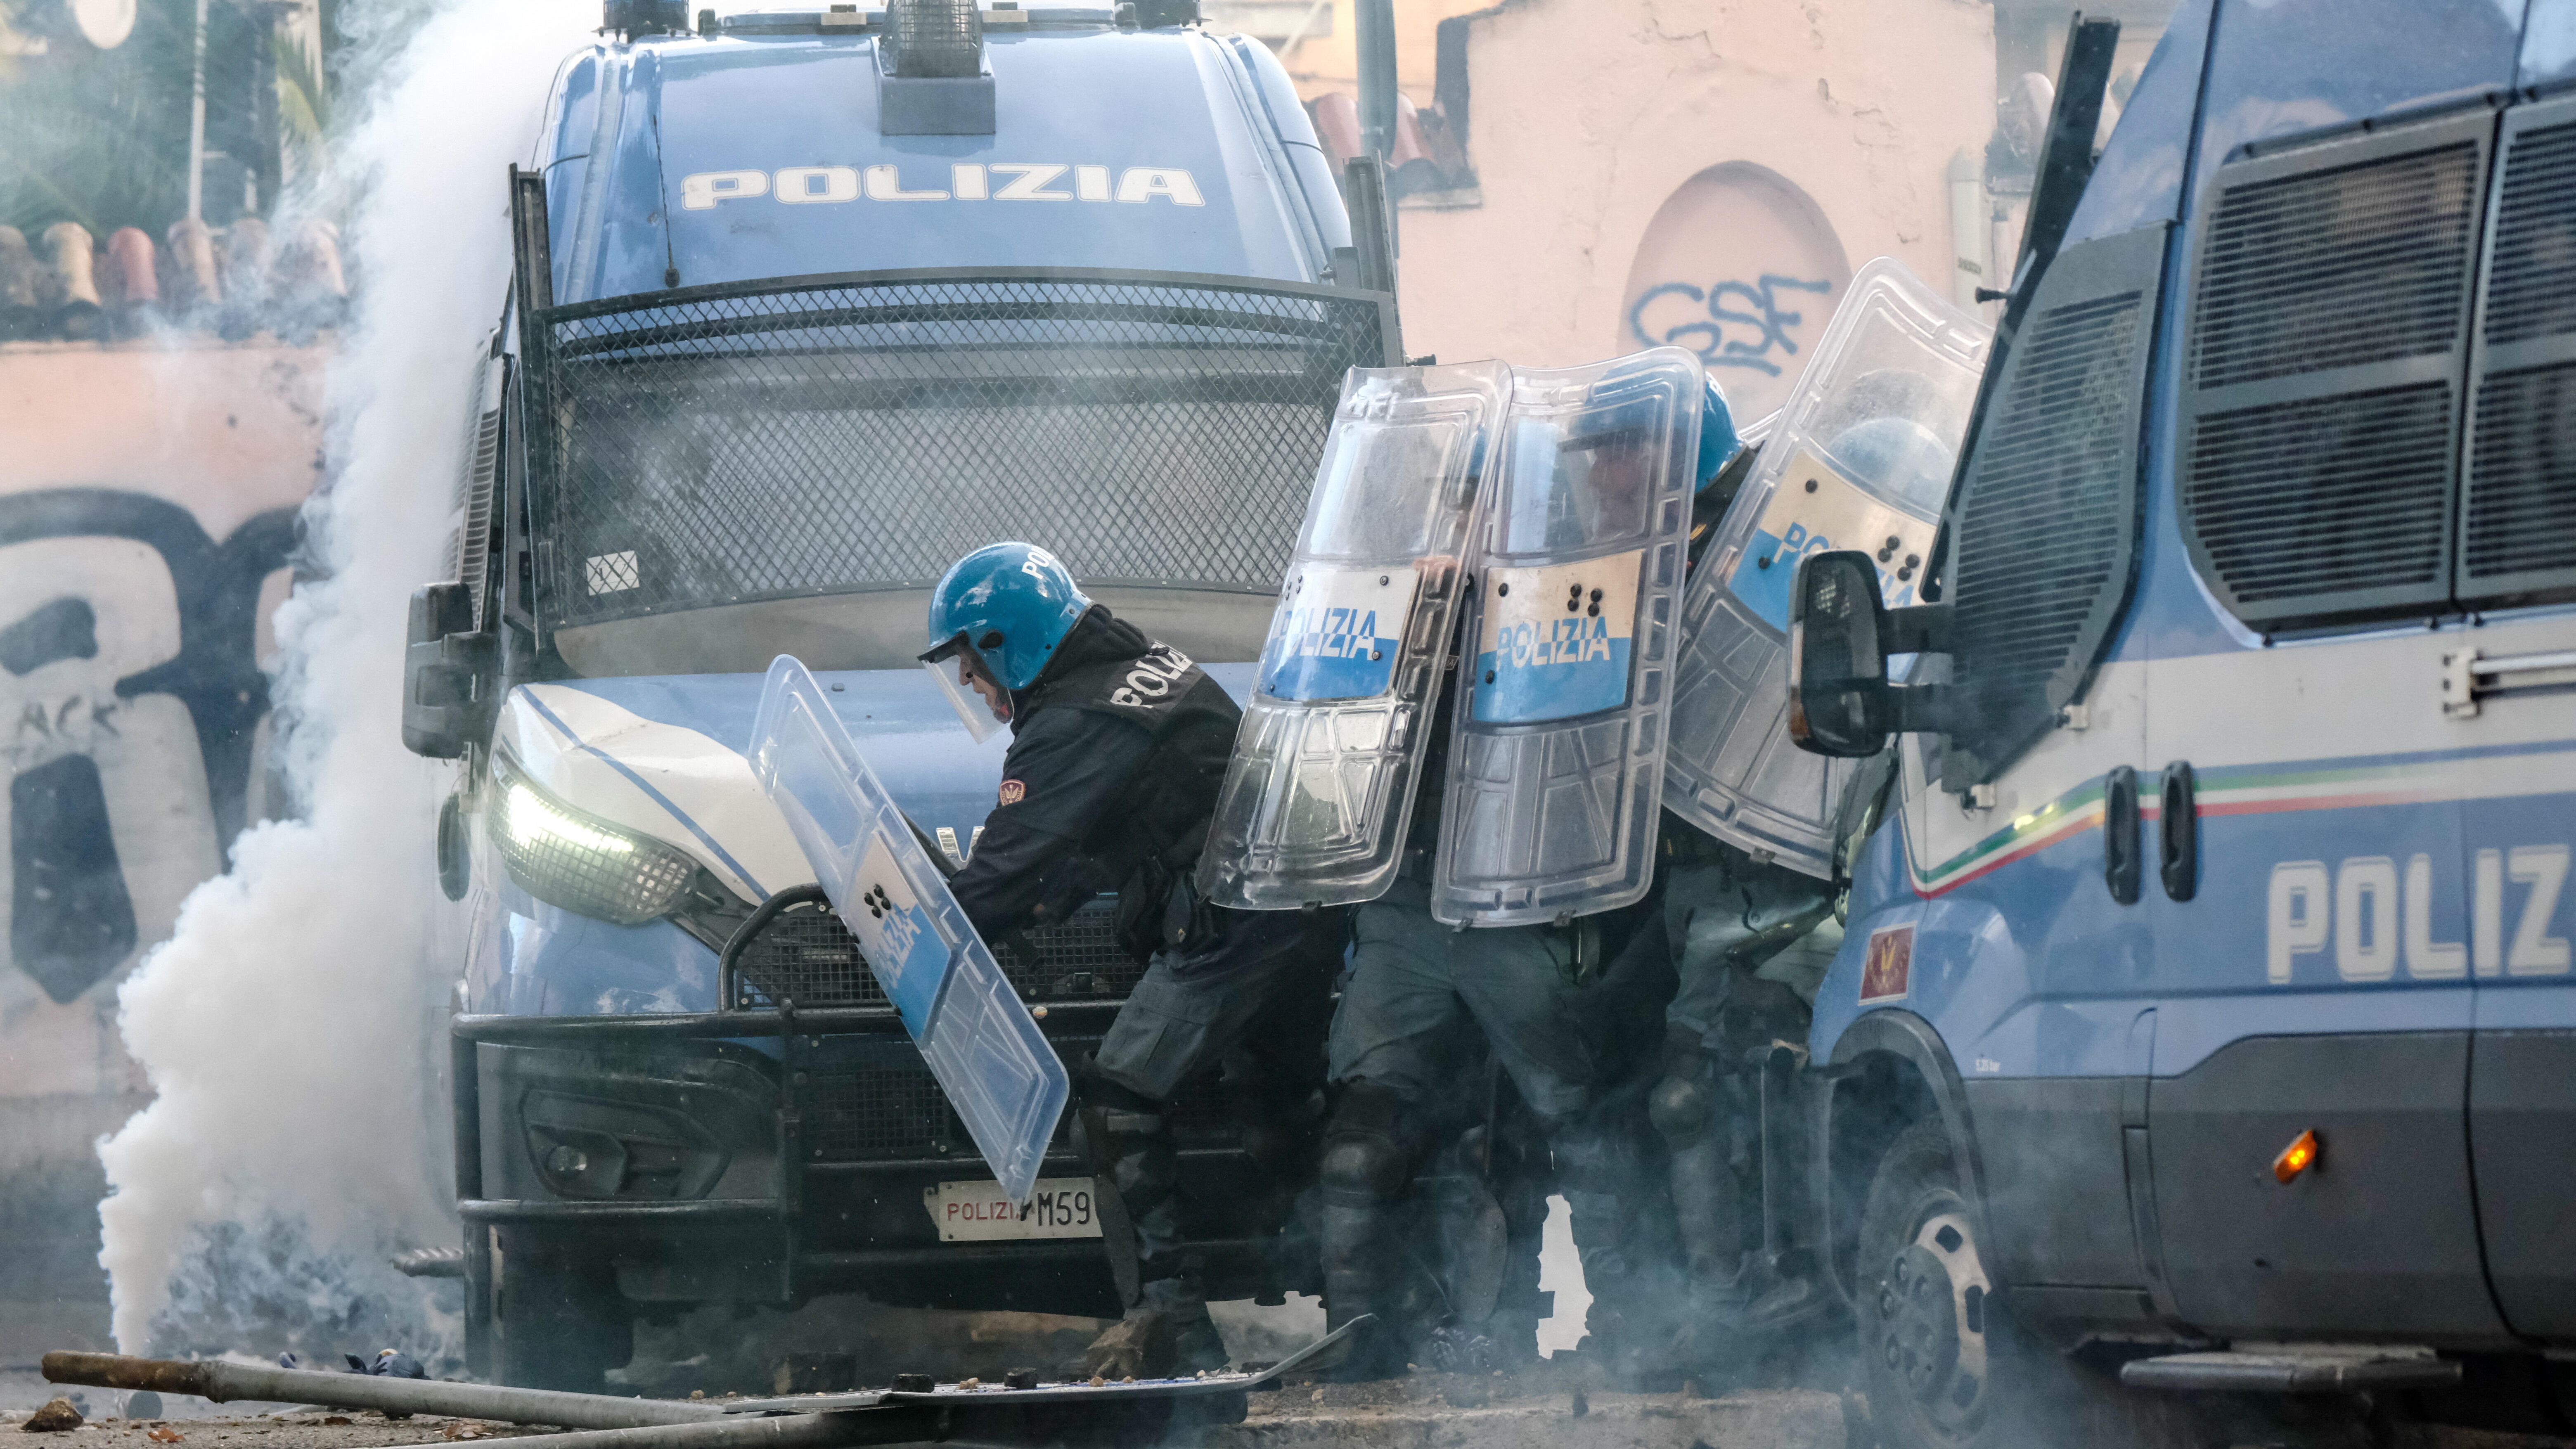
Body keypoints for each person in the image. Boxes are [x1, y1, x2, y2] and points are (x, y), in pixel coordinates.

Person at [1312, 370, 1739, 1383]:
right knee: (1376, 1143)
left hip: (1535, 899)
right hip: (1415, 896)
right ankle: (1380, 1340)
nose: (1602, 475)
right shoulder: (1419, 597)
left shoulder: (1592, 585)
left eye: (1618, 455)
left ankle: (1636, 1326)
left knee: (1585, 1123)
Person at [922, 542, 1342, 1379]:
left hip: (1240, 925)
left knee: (1118, 1096)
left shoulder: (1076, 718)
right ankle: (1379, 1301)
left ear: (1011, 644)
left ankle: (1167, 1320)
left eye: (970, 664)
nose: (970, 685)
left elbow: (1007, 870)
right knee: (1287, 1114)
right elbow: (1109, 834)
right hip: (1285, 912)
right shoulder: (1135, 668)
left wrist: (915, 938)